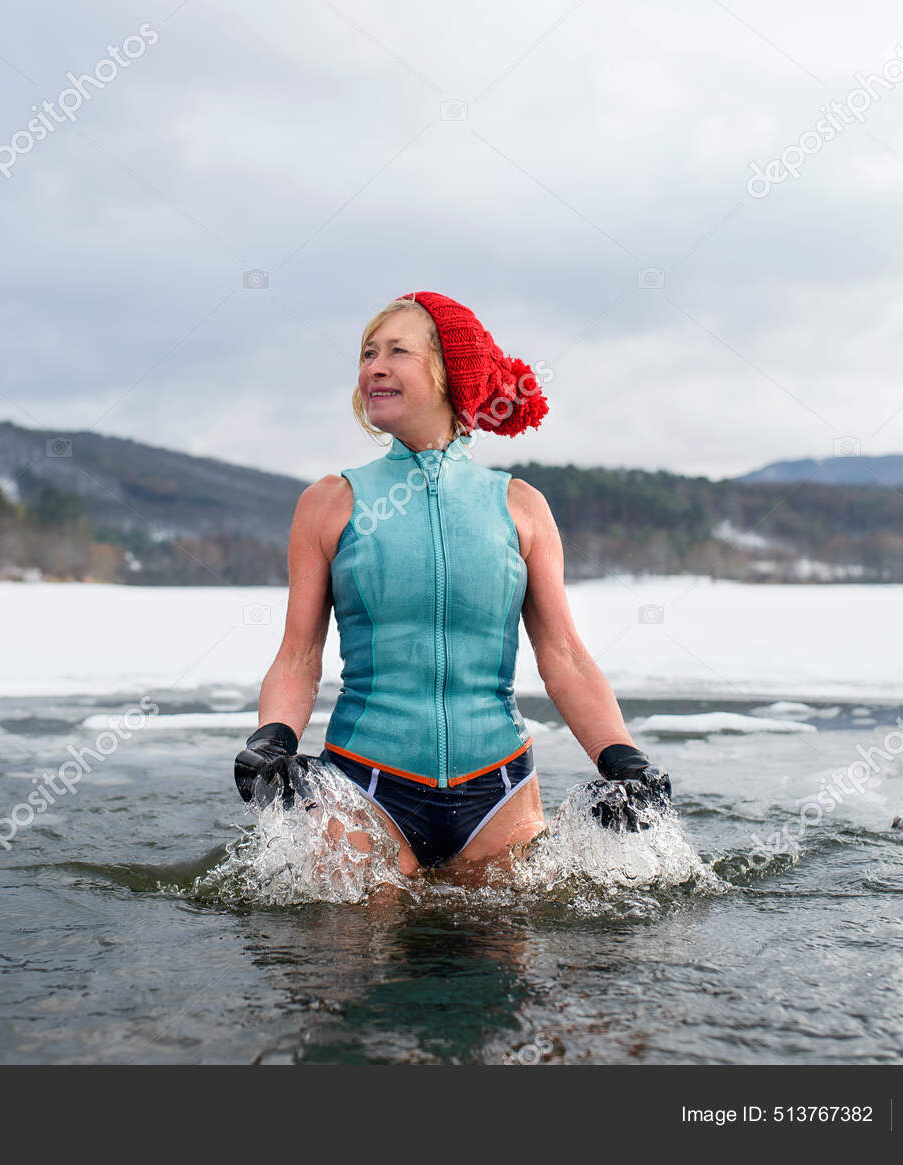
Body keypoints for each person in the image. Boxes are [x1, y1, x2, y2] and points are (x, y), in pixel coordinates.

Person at [234, 291, 672, 878]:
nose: (374, 367)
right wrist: (274, 740)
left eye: (397, 351)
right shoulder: (330, 503)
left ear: (448, 373)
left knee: (498, 947)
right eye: (367, 353)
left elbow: (564, 656)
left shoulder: (520, 506)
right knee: (360, 941)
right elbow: (299, 654)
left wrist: (623, 759)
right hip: (363, 784)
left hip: (499, 790)